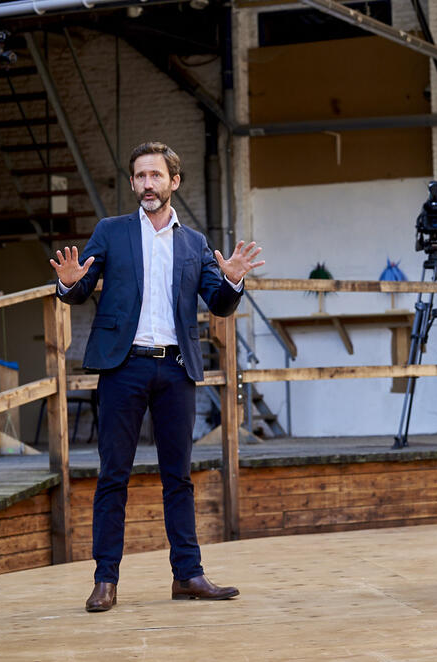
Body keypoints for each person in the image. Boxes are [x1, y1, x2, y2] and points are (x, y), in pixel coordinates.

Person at [51, 142, 265, 611]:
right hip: (122, 367)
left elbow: (219, 302)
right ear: (132, 183)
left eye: (156, 176)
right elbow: (80, 287)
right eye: (140, 176)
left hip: (175, 368)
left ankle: (188, 575)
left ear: (174, 182)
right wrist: (67, 281)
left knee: (179, 478)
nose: (148, 184)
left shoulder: (192, 243)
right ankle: (105, 580)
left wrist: (230, 279)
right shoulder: (111, 232)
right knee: (113, 476)